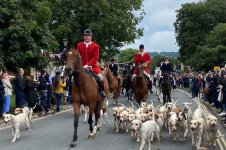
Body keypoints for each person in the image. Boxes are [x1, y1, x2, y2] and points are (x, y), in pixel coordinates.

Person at [76, 29, 106, 98]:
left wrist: (88, 64)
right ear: (84, 37)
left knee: (100, 77)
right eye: (85, 35)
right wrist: (81, 65)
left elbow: (96, 57)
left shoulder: (95, 46)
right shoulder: (79, 45)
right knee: (73, 78)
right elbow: (78, 56)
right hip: (82, 67)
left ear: (91, 37)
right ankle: (73, 93)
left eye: (88, 35)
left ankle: (102, 92)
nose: (86, 37)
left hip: (93, 67)